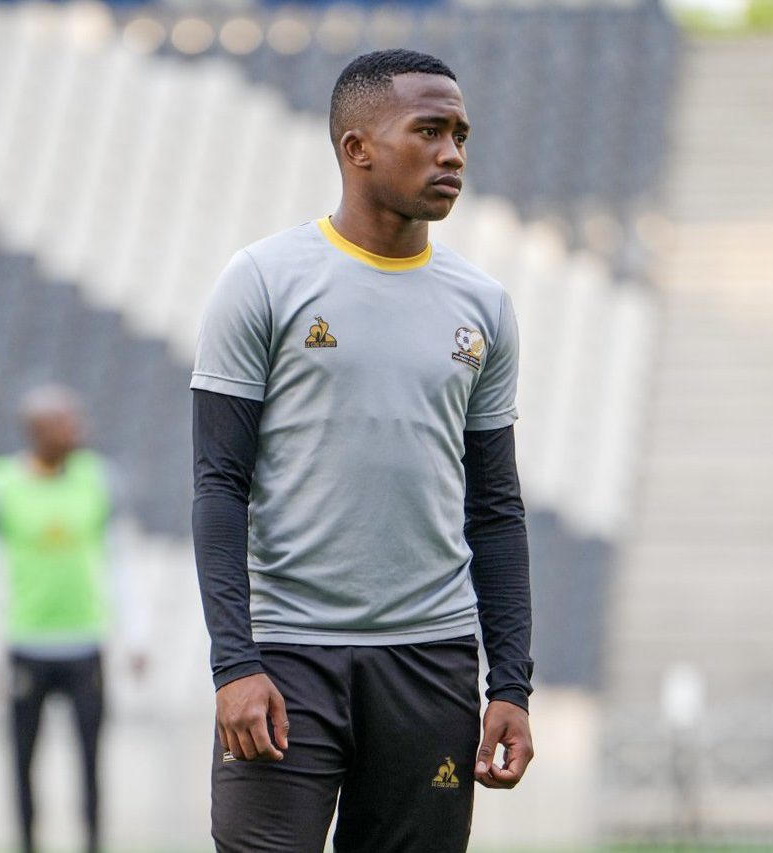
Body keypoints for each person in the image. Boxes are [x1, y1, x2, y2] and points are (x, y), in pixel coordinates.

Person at [190, 49, 536, 852]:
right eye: (428, 131)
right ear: (357, 148)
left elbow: (495, 509)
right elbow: (218, 486)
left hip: (430, 662)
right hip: (286, 658)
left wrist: (510, 684)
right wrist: (234, 664)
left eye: (460, 135)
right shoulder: (263, 280)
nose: (452, 154)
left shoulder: (483, 306)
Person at [0, 384, 145, 853]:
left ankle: (93, 844)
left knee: (91, 759)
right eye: (66, 422)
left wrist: (135, 636)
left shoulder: (98, 478)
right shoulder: (2, 483)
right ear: (37, 430)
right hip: (28, 644)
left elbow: (119, 560)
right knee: (23, 760)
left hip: (85, 643)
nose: (78, 429)